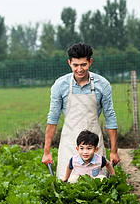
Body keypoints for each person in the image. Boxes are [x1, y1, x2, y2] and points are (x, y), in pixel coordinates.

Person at [42, 42, 120, 179]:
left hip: (93, 145)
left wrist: (114, 151)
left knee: (97, 184)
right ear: (69, 63)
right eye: (75, 65)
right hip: (69, 144)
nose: (79, 69)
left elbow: (110, 118)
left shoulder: (102, 85)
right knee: (68, 184)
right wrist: (46, 151)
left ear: (90, 62)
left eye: (83, 64)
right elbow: (53, 119)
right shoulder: (60, 85)